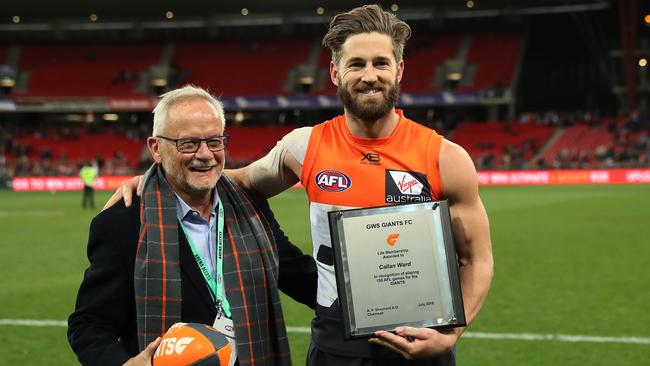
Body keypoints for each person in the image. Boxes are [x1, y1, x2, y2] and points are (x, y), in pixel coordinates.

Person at [107, 5, 493, 365]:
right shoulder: (303, 147)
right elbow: (233, 181)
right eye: (356, 63)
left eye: (381, 63)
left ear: (400, 70)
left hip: (421, 343)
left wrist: (452, 333)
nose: (369, 75)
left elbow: (476, 259)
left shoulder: (445, 157)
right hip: (334, 343)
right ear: (335, 72)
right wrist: (154, 178)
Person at [68, 85, 317, 366]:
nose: (205, 154)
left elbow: (302, 277)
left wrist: (369, 304)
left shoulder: (251, 206)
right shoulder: (123, 224)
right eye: (188, 143)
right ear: (156, 149)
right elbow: (89, 324)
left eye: (214, 141)